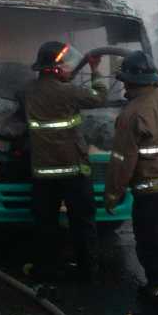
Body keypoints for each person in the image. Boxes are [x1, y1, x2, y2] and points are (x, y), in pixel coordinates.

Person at [104, 50, 158, 315]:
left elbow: (121, 161)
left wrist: (112, 195)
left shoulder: (133, 113)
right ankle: (157, 289)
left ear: (130, 81)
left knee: (152, 249)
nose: (123, 86)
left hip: (152, 193)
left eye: (125, 80)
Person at [23, 41, 107, 282]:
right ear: (57, 68)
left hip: (43, 173)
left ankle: (44, 270)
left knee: (45, 225)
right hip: (74, 172)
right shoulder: (69, 92)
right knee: (82, 223)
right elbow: (99, 96)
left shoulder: (28, 90)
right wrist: (95, 70)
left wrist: (66, 76)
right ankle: (87, 271)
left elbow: (53, 91)